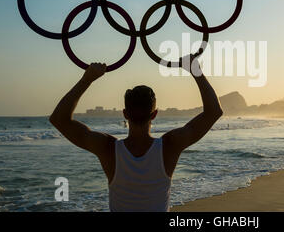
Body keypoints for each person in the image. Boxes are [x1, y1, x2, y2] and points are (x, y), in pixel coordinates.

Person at [49, 58, 223, 212]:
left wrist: (87, 79)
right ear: (154, 114)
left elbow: (59, 119)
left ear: (124, 114)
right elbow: (213, 112)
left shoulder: (107, 148)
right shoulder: (170, 145)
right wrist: (196, 71)